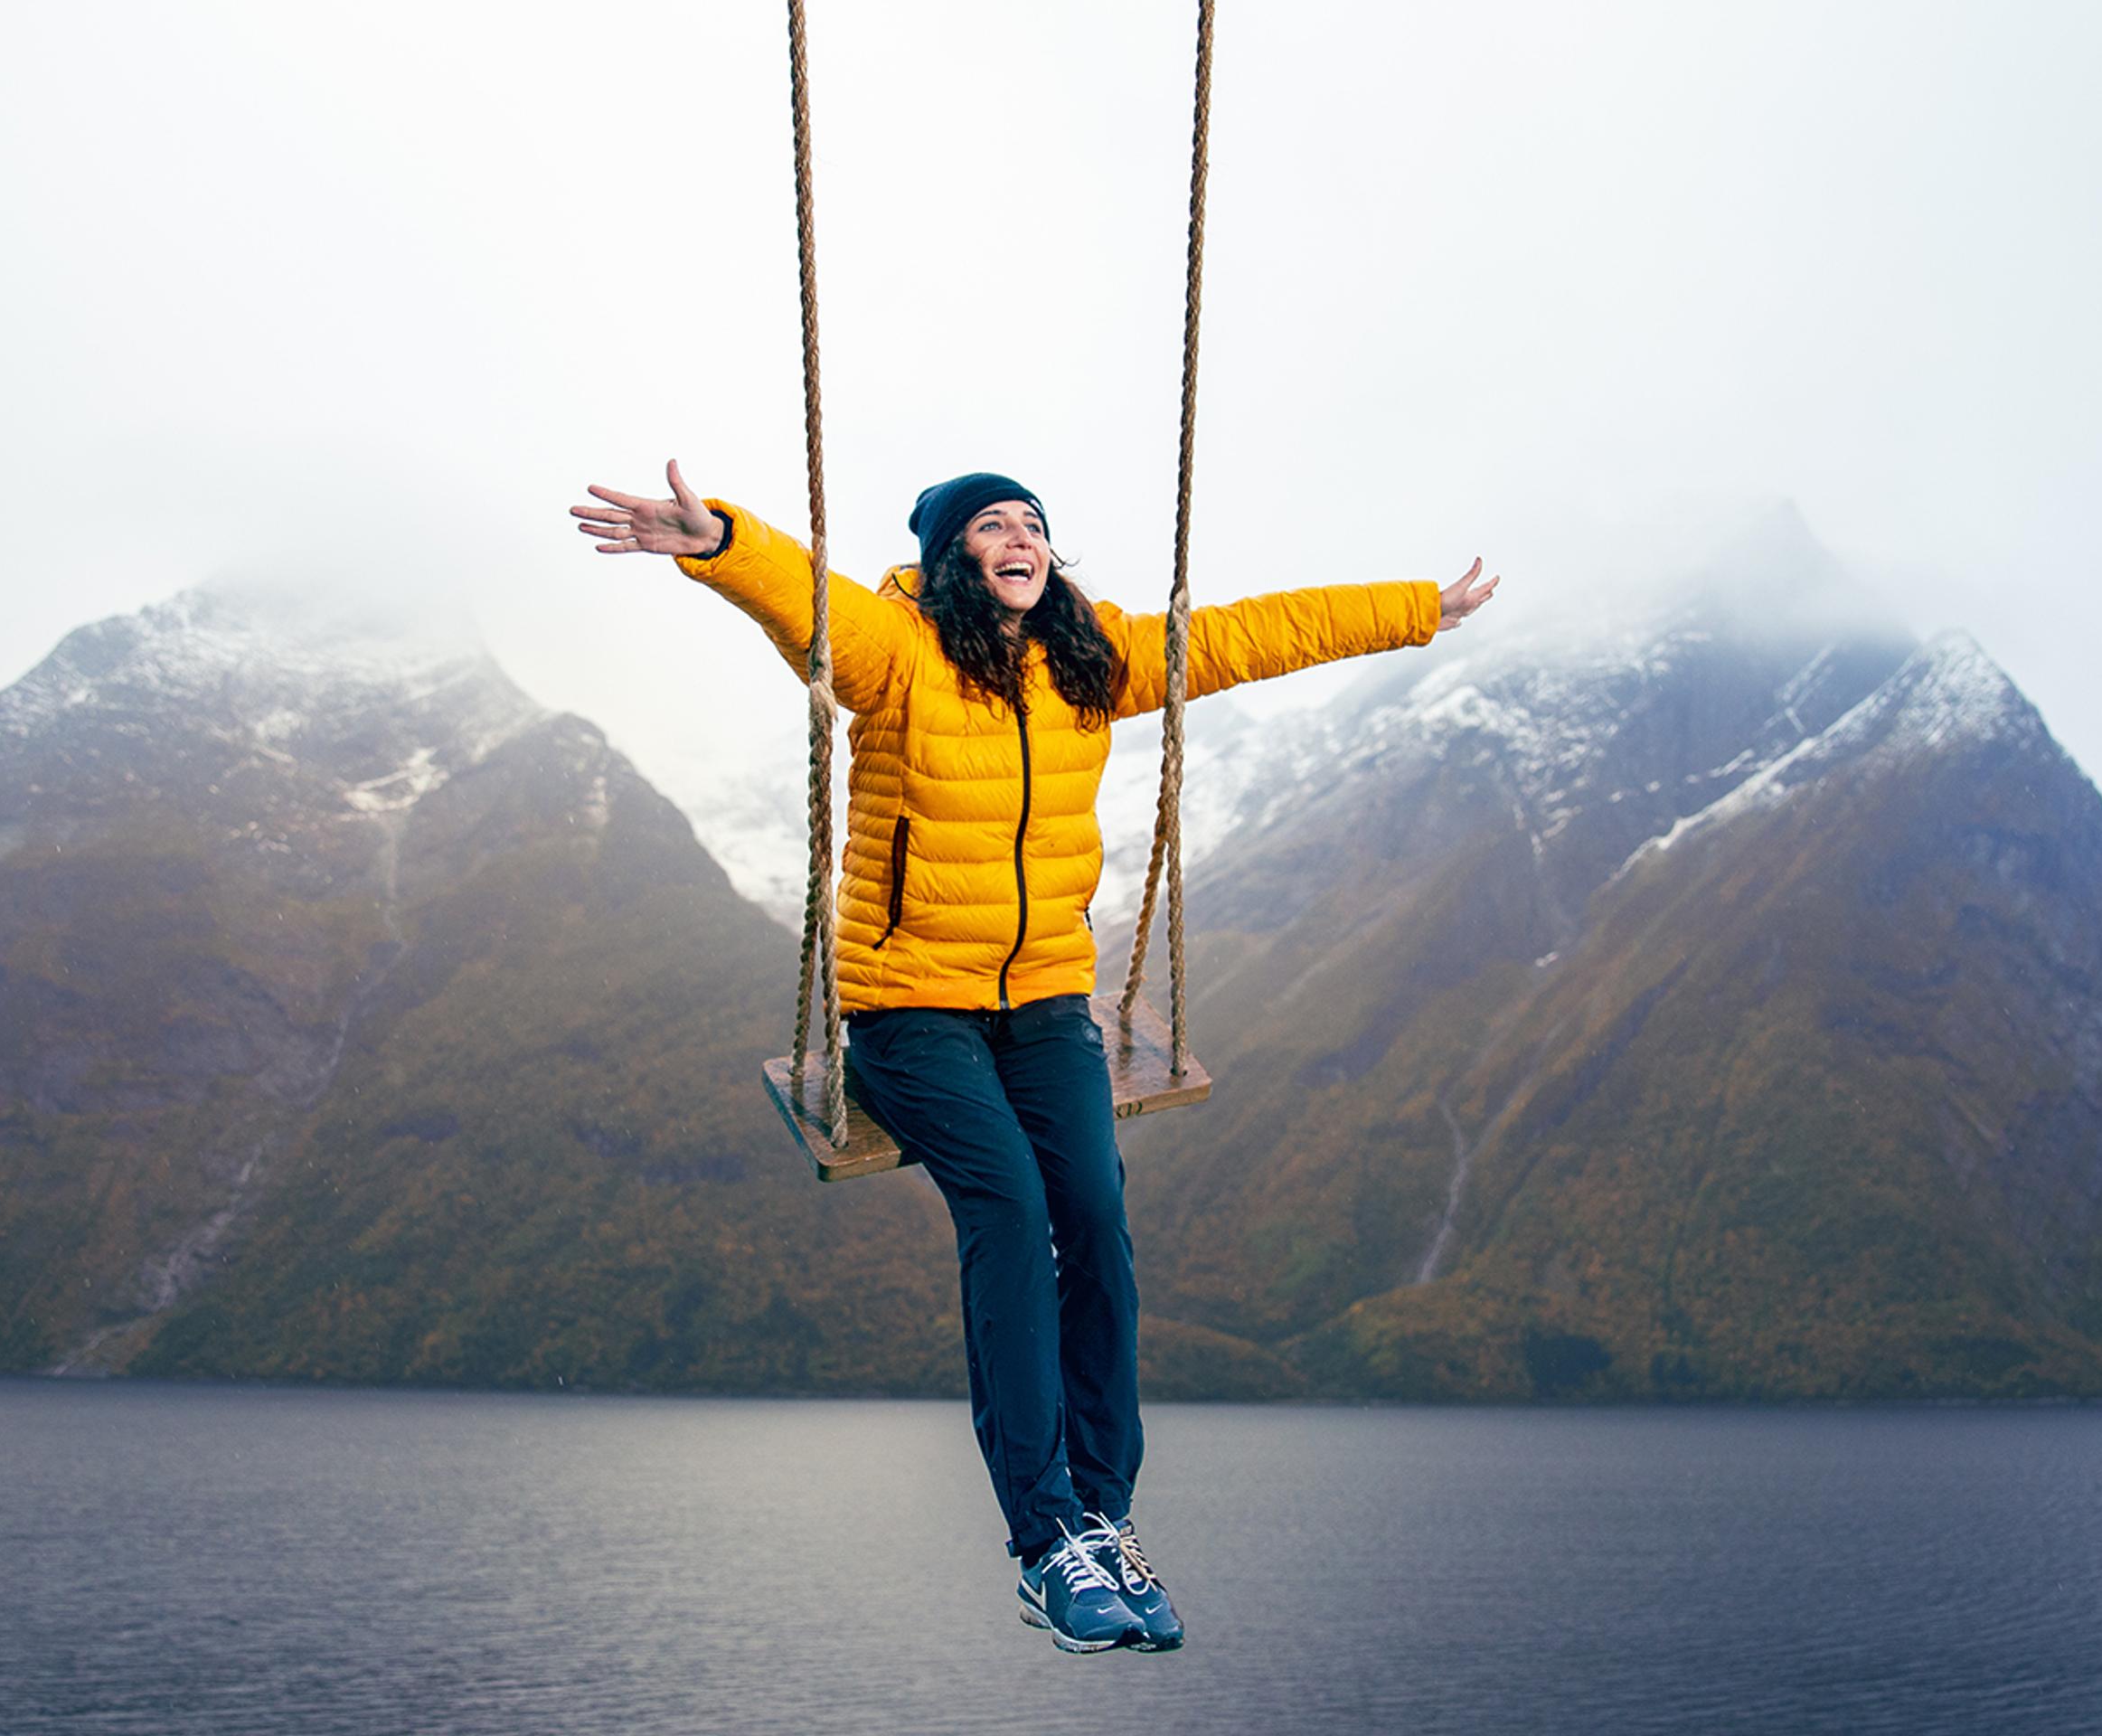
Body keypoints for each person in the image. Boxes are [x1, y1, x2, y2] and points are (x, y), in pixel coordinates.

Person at [571, 461, 1497, 1653]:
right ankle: (1045, 1539)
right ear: (953, 555)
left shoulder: (1091, 662)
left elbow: (1253, 635)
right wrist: (721, 541)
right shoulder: (895, 650)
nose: (1019, 539)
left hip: (1047, 999)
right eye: (991, 526)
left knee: (1097, 1215)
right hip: (910, 1008)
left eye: (1034, 526)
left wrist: (1418, 608)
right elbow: (813, 605)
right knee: (1008, 1209)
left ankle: (1105, 1515)